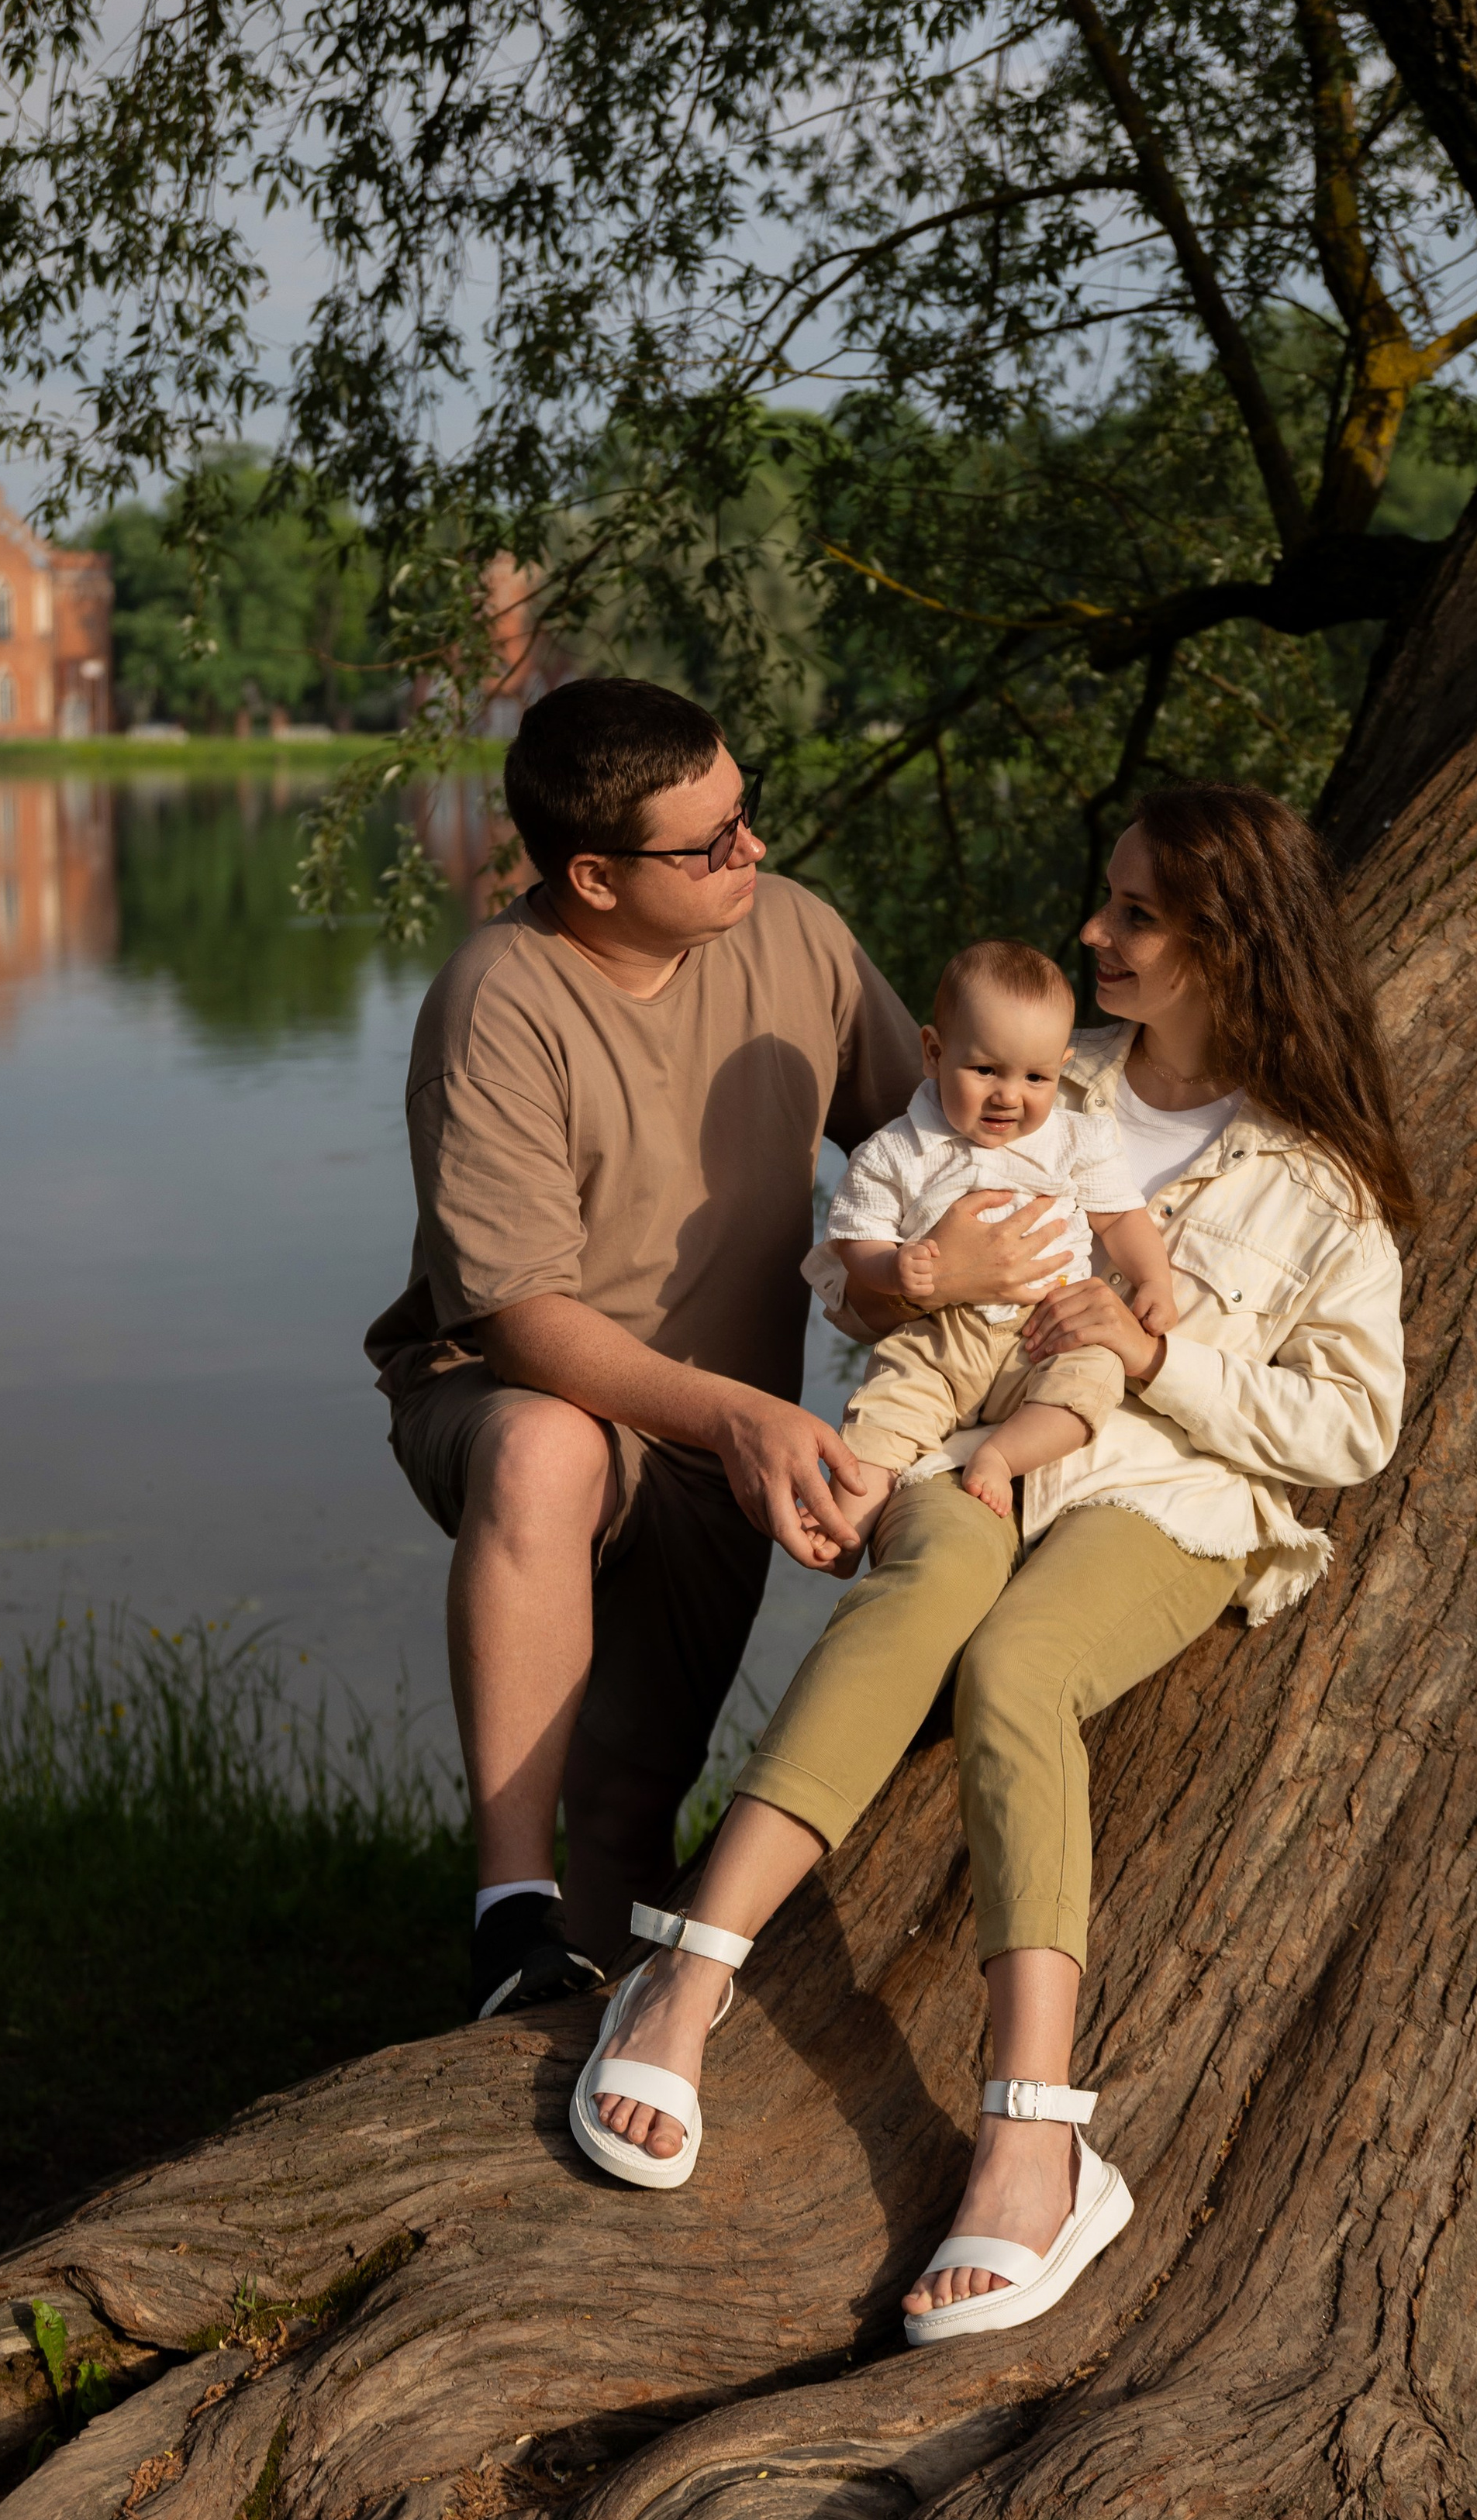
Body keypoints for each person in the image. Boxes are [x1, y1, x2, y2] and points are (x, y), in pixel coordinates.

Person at [568, 783, 1413, 2351]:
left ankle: (1035, 2138)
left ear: (1228, 944)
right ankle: (680, 1979)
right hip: (962, 1443)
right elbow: (859, 1278)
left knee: (1020, 1666)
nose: (1091, 931)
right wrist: (914, 1279)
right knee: (932, 1589)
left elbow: (1349, 1427)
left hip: (1174, 1497)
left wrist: (1152, 1353)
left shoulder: (1319, 1184)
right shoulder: (1026, 1072)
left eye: (1135, 914)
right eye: (1104, 900)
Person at [364, 677, 1079, 2021]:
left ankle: (574, 2032)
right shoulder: (495, 1003)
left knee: (638, 1789)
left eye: (745, 814)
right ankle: (509, 1910)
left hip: (719, 1440)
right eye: (709, 844)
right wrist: (741, 1417)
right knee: (545, 1447)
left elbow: (932, 1133)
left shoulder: (796, 935)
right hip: (516, 1391)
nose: (750, 851)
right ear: (592, 875)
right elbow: (515, 1313)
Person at [806, 936, 1177, 1563]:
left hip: (1046, 1330)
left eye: (1036, 1076)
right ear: (934, 1052)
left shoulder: (1074, 1140)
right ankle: (843, 1529)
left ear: (1060, 1066)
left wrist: (1152, 1281)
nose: (1010, 1095)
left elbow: (1122, 1217)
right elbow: (854, 1237)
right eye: (986, 1070)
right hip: (940, 1333)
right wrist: (893, 1266)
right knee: (889, 1406)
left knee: (1094, 1374)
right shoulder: (897, 1151)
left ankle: (1003, 1454)